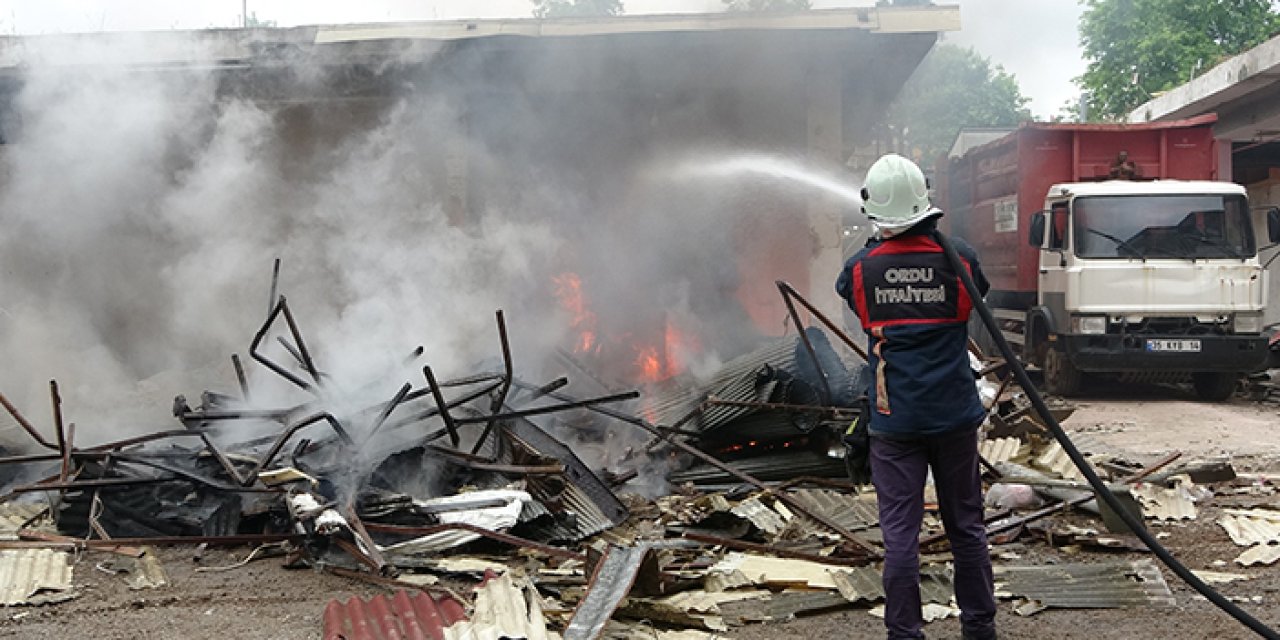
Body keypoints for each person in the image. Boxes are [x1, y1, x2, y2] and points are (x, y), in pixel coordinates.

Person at [835, 153, 997, 640]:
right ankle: (979, 628)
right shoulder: (961, 259)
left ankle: (904, 633)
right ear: (925, 201)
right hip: (954, 417)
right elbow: (976, 298)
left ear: (876, 210)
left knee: (900, 537)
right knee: (966, 526)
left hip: (895, 422)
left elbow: (854, 302)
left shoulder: (861, 269)